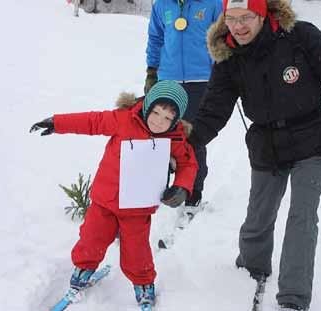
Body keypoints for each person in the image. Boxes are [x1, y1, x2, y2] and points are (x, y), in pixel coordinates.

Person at [187, 0, 321, 310]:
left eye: (246, 16)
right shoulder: (228, 56)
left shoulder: (299, 35)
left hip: (312, 137)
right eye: (231, 18)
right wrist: (187, 141)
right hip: (266, 142)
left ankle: (293, 298)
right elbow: (213, 111)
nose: (238, 25)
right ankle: (251, 267)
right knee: (259, 216)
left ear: (263, 14)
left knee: (302, 217)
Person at [30, 80, 198, 309]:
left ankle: (143, 283)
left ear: (176, 121)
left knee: (137, 253)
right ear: (148, 106)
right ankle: (84, 269)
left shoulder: (175, 139)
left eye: (168, 118)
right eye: (156, 112)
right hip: (105, 201)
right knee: (91, 239)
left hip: (138, 208)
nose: (160, 122)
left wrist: (181, 187)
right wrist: (57, 123)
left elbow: (188, 164)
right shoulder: (124, 119)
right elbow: (92, 121)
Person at [145, 0, 223, 212]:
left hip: (202, 80)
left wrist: (224, 71)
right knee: (161, 135)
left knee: (193, 138)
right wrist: (152, 72)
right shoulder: (161, 4)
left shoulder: (212, 3)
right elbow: (156, 38)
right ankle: (159, 190)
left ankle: (193, 193)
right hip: (168, 80)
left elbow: (222, 39)